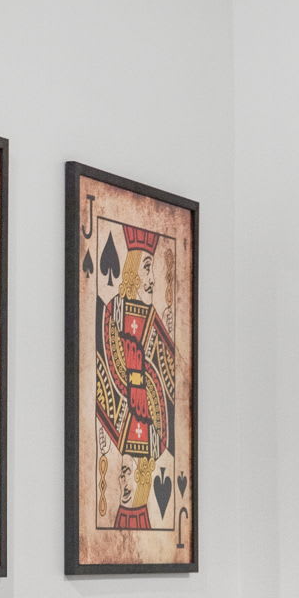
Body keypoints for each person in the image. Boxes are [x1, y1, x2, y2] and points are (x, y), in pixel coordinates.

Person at [93, 226, 179, 529]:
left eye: (153, 269)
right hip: (129, 419)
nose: (152, 279)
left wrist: (147, 391)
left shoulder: (153, 322)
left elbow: (167, 380)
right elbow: (110, 372)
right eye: (146, 268)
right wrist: (135, 388)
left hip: (146, 423)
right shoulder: (111, 314)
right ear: (131, 271)